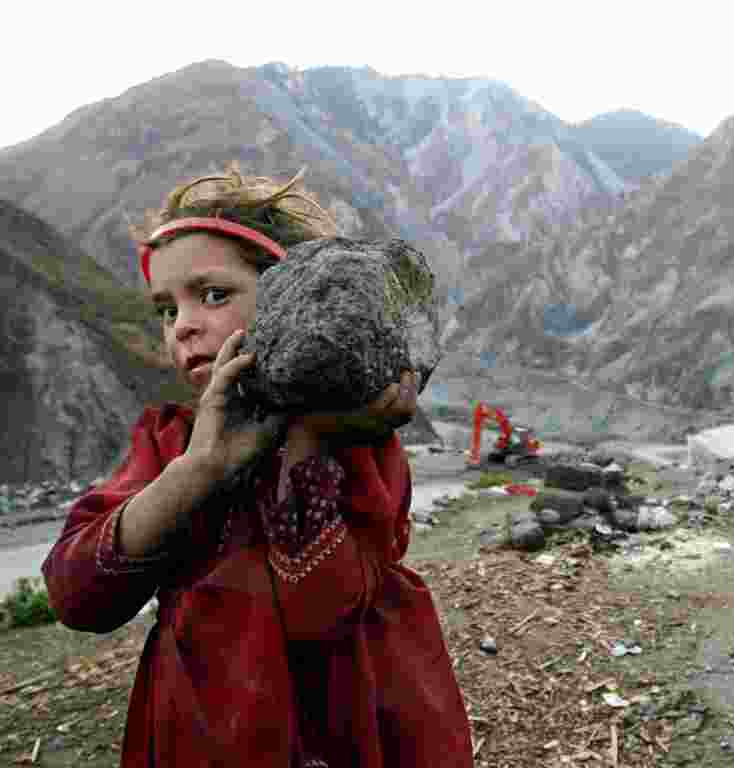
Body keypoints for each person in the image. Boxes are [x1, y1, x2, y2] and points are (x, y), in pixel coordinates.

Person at [40, 165, 474, 768]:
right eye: (166, 310)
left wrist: (310, 441)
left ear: (293, 296)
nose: (184, 325)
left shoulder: (359, 437)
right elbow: (78, 596)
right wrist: (200, 469)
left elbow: (320, 608)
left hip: (352, 720)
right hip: (207, 722)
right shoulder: (170, 441)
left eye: (213, 295)